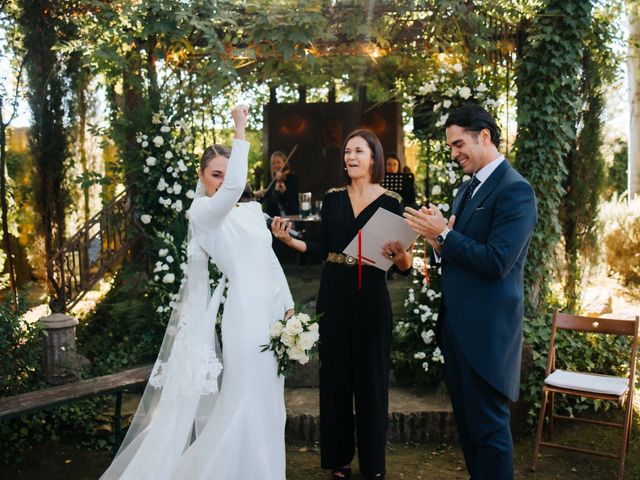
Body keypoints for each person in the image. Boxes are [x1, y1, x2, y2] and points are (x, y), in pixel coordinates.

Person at [100, 105, 295, 480]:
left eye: (226, 173)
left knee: (271, 404)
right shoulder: (203, 214)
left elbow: (271, 263)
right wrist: (240, 128)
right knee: (243, 401)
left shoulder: (253, 212)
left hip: (274, 319)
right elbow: (236, 186)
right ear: (203, 178)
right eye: (215, 175)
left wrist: (290, 313)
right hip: (243, 317)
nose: (223, 181)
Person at [403, 104, 537, 480]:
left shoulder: (516, 190)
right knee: (469, 432)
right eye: (450, 147)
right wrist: (436, 239)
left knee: (490, 434)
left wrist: (444, 234)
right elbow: (456, 251)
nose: (454, 153)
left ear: (484, 136)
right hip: (458, 330)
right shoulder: (467, 189)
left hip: (488, 334)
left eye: (458, 143)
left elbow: (497, 262)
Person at [271, 129, 413, 480]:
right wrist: (290, 240)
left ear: (373, 158)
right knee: (335, 378)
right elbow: (319, 248)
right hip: (334, 291)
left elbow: (403, 265)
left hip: (372, 295)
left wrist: (402, 257)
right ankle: (338, 458)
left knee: (372, 379)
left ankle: (374, 463)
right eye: (347, 151)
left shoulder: (392, 201)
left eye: (358, 151)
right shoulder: (333, 198)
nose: (350, 156)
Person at [256, 150, 300, 217]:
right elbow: (268, 204)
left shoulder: (292, 178)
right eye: (273, 163)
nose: (276, 165)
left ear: (285, 163)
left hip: (291, 218)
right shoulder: (272, 181)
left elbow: (293, 201)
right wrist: (259, 195)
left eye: (278, 162)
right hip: (275, 220)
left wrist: (284, 191)